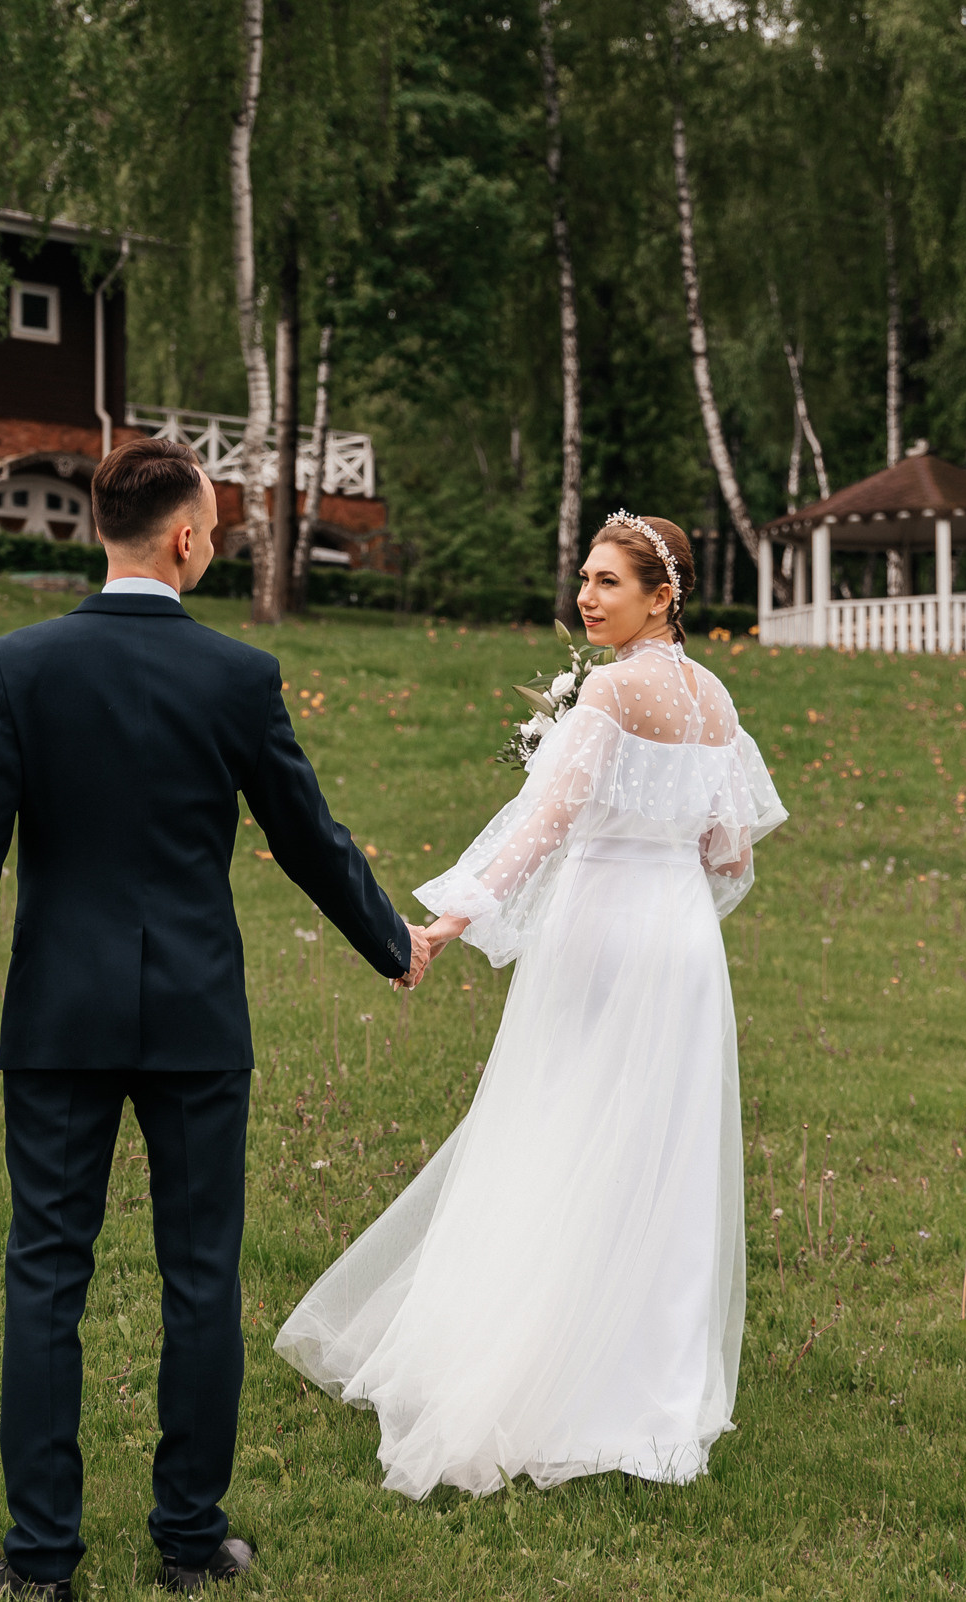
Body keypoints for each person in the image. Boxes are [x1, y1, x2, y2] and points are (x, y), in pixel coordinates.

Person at [0, 436, 434, 1597]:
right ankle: (192, 1541)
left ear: (103, 532)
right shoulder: (235, 678)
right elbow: (307, 836)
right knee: (200, 1276)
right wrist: (391, 942)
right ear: (189, 537)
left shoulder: (22, 666)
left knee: (48, 1274)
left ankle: (43, 1562)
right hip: (196, 1021)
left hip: (59, 1019)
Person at [274, 512, 787, 1499]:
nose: (587, 597)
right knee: (657, 1149)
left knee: (556, 1126)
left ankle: (532, 1361)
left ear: (661, 595)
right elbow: (730, 850)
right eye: (585, 580)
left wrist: (445, 923)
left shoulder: (607, 691)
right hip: (682, 944)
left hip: (601, 934)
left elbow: (540, 827)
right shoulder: (716, 698)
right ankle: (650, 1380)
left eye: (608, 582)